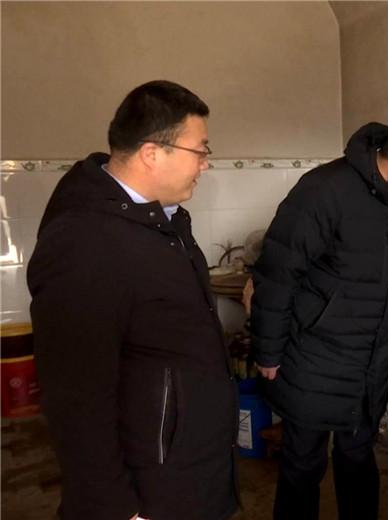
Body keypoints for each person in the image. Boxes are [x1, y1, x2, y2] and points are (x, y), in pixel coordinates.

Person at [27, 80, 238, 520]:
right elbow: (75, 398)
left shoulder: (160, 219)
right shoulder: (85, 242)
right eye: (200, 150)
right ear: (151, 153)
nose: (206, 163)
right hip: (148, 490)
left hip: (186, 469)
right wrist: (116, 507)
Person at [248, 115, 388, 520]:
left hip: (371, 359)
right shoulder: (324, 190)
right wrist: (268, 350)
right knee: (303, 463)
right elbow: (277, 273)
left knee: (358, 457)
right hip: (315, 353)